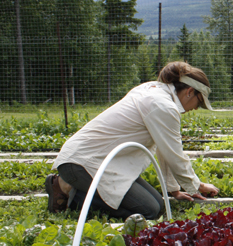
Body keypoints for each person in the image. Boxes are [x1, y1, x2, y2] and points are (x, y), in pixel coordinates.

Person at [45, 61, 219, 220]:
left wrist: (173, 190)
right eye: (199, 102)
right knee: (148, 210)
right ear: (190, 92)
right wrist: (196, 186)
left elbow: (165, 150)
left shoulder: (153, 91)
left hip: (103, 162)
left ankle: (75, 188)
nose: (196, 108)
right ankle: (70, 193)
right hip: (82, 163)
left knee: (158, 203)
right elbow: (174, 155)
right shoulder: (162, 105)